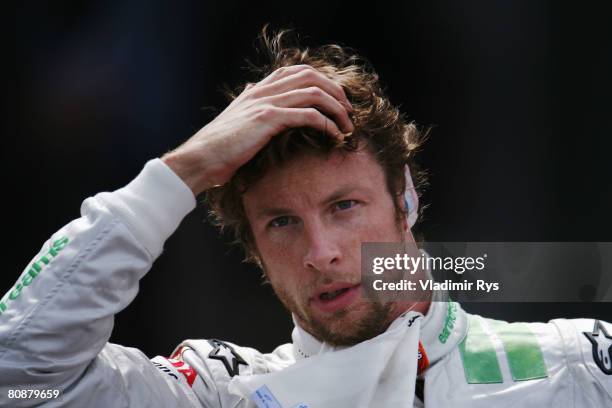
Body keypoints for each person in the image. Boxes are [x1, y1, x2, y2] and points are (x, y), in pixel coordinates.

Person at [1, 26, 610, 408]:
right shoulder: (220, 392)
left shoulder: (578, 363)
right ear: (256, 251)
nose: (321, 252)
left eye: (343, 206)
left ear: (406, 201)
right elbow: (21, 380)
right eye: (281, 224)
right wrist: (177, 176)